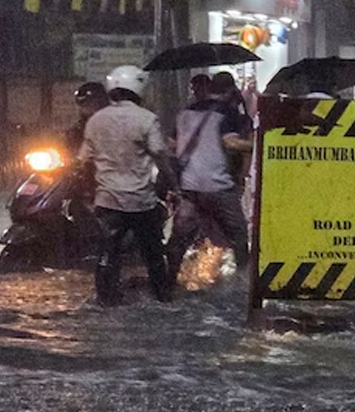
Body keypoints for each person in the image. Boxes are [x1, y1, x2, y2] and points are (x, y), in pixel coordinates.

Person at [78, 65, 175, 306]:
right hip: (141, 201)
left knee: (108, 253)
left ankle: (105, 299)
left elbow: (83, 160)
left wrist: (91, 191)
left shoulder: (96, 120)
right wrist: (174, 185)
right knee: (153, 253)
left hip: (108, 200)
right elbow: (160, 154)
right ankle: (163, 297)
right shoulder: (147, 119)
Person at [166, 72, 254, 290]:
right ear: (229, 91)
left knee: (179, 239)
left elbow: (171, 144)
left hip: (190, 186)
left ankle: (168, 282)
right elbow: (231, 143)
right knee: (239, 235)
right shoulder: (227, 112)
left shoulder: (184, 113)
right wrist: (261, 144)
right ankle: (245, 286)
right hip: (217, 185)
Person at [64, 82, 109, 155]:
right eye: (82, 104)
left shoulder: (112, 124)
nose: (84, 108)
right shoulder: (78, 129)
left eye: (89, 103)